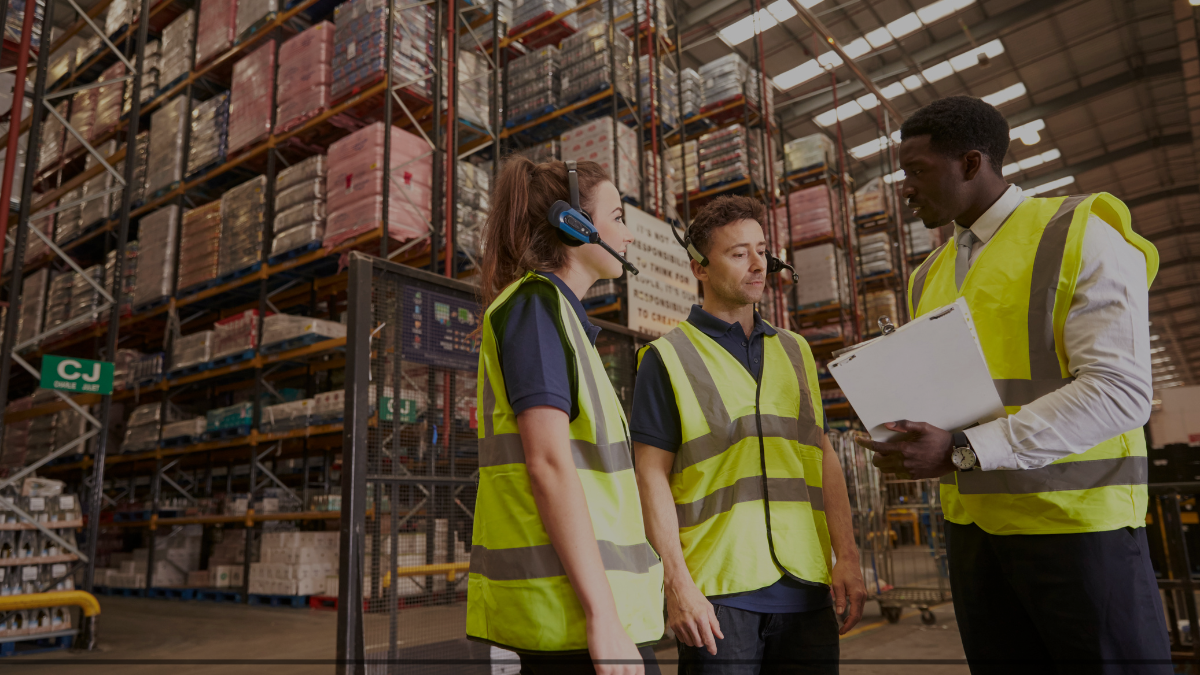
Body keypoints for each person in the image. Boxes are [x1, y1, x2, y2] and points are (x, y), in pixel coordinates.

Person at [856, 96, 1171, 673]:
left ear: (972, 164)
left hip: (1076, 529)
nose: (906, 190)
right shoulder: (928, 275)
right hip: (975, 533)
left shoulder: (1082, 234)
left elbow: (1120, 391)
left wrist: (963, 450)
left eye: (918, 171)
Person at [631, 195, 867, 675]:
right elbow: (649, 476)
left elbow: (821, 456)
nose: (759, 264)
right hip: (718, 592)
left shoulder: (797, 351)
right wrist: (676, 586)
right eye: (739, 253)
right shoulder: (667, 358)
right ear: (700, 267)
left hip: (805, 584)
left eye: (761, 250)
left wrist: (847, 555)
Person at [466, 157, 664, 675]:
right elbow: (548, 464)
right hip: (574, 617)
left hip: (583, 611)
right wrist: (603, 618)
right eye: (618, 217)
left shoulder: (561, 320)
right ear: (572, 225)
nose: (629, 236)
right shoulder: (536, 309)